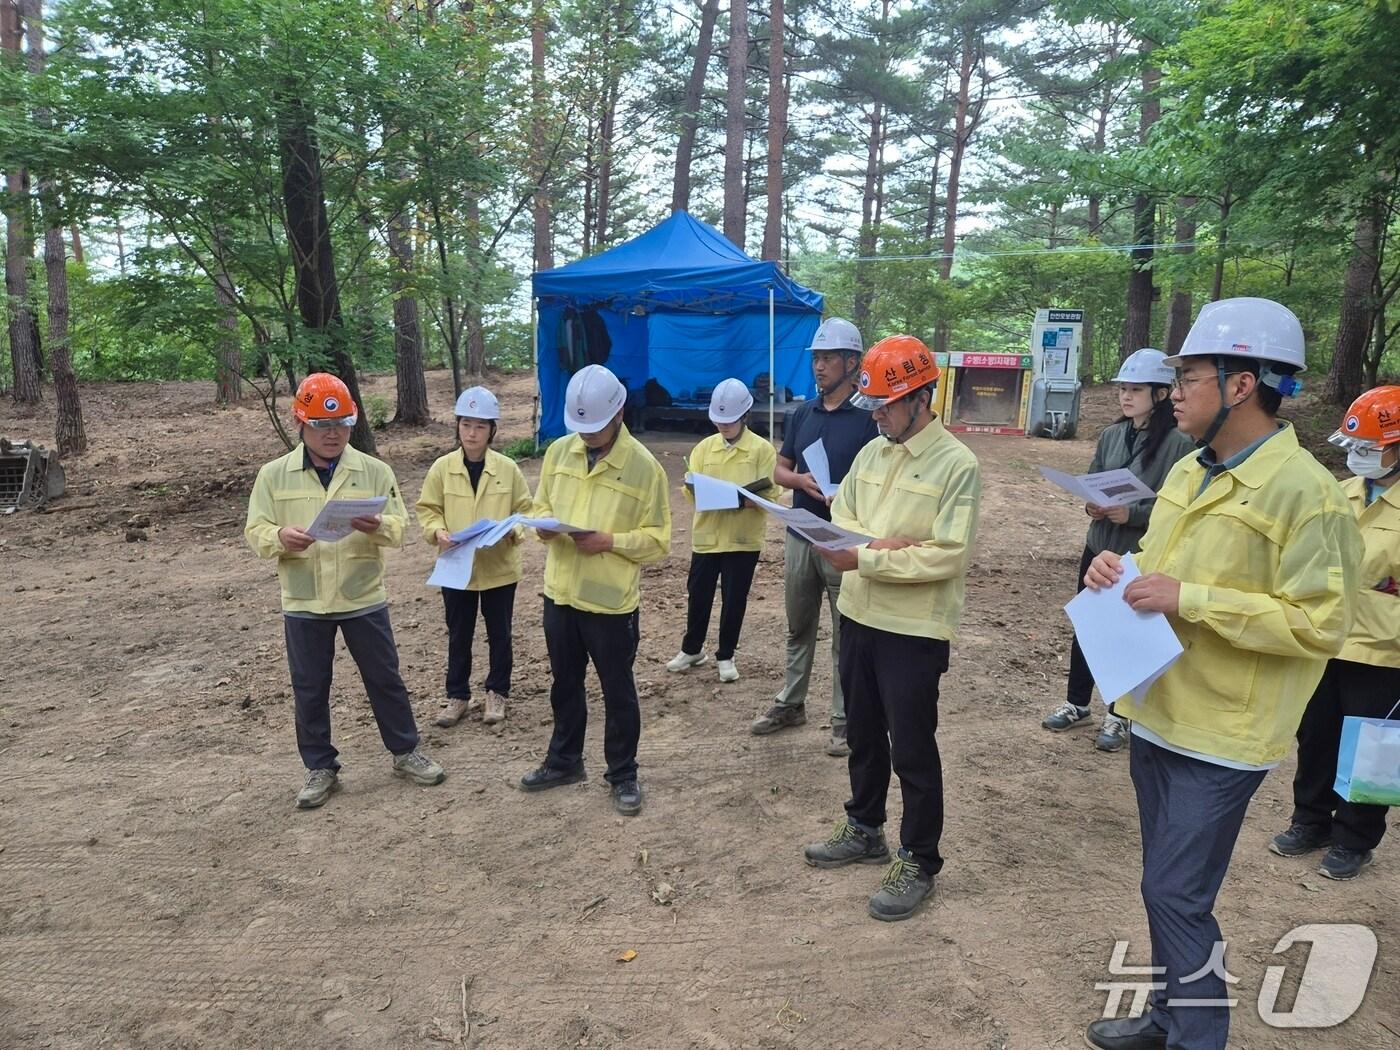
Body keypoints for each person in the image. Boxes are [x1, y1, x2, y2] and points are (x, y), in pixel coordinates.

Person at [1078, 298, 1361, 1050]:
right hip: (1160, 703)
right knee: (1163, 888)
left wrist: (1191, 599)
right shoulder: (1189, 471)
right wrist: (1120, 571)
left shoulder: (1308, 494)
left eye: (1189, 375)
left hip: (1225, 730)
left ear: (1241, 384)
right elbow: (1165, 574)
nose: (1176, 391)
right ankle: (1168, 1018)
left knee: (1176, 891)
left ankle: (1195, 1037)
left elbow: (1319, 624)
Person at [801, 335, 981, 922]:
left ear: (921, 396)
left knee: (912, 746)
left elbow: (946, 555)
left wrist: (871, 556)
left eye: (885, 404)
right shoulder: (873, 453)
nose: (875, 414)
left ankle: (919, 858)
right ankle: (864, 825)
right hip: (858, 614)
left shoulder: (956, 464)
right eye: (872, 404)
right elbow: (842, 516)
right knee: (862, 731)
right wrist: (881, 545)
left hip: (912, 629)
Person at [244, 372, 446, 810]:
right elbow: (255, 530)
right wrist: (280, 535)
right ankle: (320, 766)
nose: (332, 434)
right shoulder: (274, 476)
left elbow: (398, 527)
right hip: (305, 598)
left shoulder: (373, 471)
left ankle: (405, 752)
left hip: (361, 595)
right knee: (310, 686)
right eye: (321, 425)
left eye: (341, 424)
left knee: (384, 678)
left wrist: (379, 527)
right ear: (300, 423)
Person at [520, 364, 671, 816]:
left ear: (619, 414)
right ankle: (564, 761)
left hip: (609, 602)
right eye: (581, 427)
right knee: (564, 683)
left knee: (617, 689)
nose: (586, 436)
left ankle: (623, 772)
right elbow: (540, 504)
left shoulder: (644, 468)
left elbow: (659, 539)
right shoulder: (559, 453)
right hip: (560, 592)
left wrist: (611, 542)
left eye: (596, 427)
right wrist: (543, 528)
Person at [1269, 385, 1400, 881]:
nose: (1359, 457)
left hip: (1385, 649)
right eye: (1355, 448)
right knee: (1316, 734)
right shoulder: (1340, 493)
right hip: (1327, 636)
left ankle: (1354, 839)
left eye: (1370, 447)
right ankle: (1309, 821)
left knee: (1371, 749)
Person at [1041, 349, 1195, 751]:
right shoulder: (1112, 435)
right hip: (1099, 546)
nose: (1126, 397)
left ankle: (1119, 713)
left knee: (1128, 633)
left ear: (1160, 394)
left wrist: (1133, 514)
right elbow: (1094, 479)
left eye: (1136, 389)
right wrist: (1091, 503)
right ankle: (1077, 703)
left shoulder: (1179, 442)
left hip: (1138, 552)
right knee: (1087, 626)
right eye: (1123, 389)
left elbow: (1179, 505)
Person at [750, 317, 878, 756]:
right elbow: (779, 469)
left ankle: (844, 720)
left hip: (842, 539)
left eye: (827, 358)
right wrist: (801, 483)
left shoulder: (868, 420)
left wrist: (844, 496)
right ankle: (791, 703)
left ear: (851, 362)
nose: (819, 367)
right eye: (816, 359)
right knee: (798, 625)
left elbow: (876, 481)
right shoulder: (800, 412)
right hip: (801, 533)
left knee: (846, 632)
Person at [416, 385, 532, 728]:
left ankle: (497, 693)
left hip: (499, 566)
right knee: (458, 632)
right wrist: (437, 532)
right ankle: (458, 695)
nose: (472, 433)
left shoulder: (508, 469)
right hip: (456, 566)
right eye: (466, 424)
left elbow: (525, 509)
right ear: (457, 426)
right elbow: (428, 509)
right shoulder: (441, 468)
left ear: (492, 430)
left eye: (480, 426)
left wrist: (514, 531)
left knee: (500, 633)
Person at [666, 378, 780, 683]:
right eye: (719, 421)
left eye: (730, 421)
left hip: (742, 540)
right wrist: (699, 491)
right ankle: (692, 649)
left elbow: (771, 495)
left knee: (734, 599)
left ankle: (726, 654)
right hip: (707, 537)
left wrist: (746, 501)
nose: (724, 426)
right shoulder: (705, 448)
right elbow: (690, 489)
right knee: (698, 594)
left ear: (745, 416)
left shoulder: (761, 450)